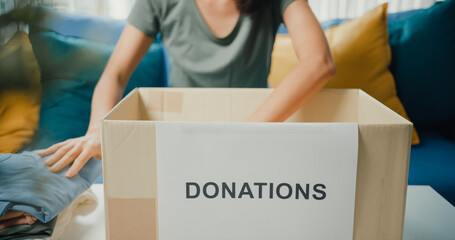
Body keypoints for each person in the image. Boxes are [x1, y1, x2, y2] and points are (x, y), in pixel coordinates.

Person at [37, 0, 336, 178]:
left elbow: (319, 63)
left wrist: (240, 138)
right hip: (181, 141)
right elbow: (115, 73)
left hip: (255, 135)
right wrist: (98, 130)